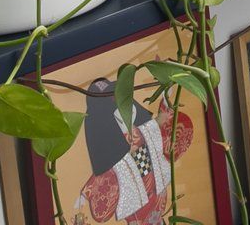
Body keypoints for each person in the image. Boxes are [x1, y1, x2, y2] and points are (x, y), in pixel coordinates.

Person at [70, 79, 195, 225]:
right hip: (133, 186)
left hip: (152, 176)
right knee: (138, 214)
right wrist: (86, 193)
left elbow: (152, 129)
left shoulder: (132, 113)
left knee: (155, 207)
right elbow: (106, 168)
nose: (115, 100)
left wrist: (165, 100)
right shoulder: (108, 130)